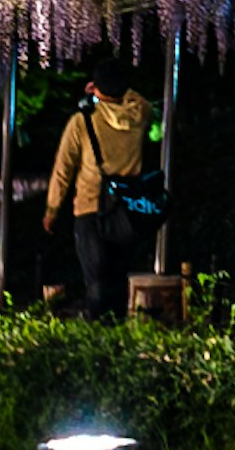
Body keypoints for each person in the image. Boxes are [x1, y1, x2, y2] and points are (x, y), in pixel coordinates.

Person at [45, 54, 156, 319]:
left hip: (90, 207)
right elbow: (139, 100)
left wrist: (51, 209)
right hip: (127, 209)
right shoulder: (139, 115)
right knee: (118, 277)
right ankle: (116, 330)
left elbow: (63, 169)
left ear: (95, 86)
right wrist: (113, 87)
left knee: (96, 279)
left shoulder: (82, 122)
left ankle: (96, 332)